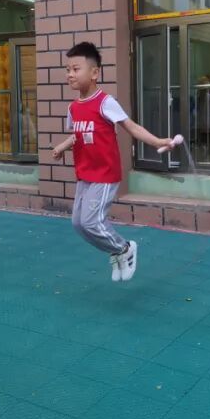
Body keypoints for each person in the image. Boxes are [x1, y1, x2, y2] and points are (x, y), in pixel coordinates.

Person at [51, 42, 176, 282]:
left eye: (76, 69)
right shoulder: (73, 107)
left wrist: (157, 141)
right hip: (84, 174)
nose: (70, 74)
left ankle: (125, 248)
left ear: (94, 73)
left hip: (105, 173)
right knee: (78, 224)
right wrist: (62, 147)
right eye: (67, 70)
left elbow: (131, 127)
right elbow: (78, 134)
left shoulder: (105, 102)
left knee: (91, 222)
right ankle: (117, 252)